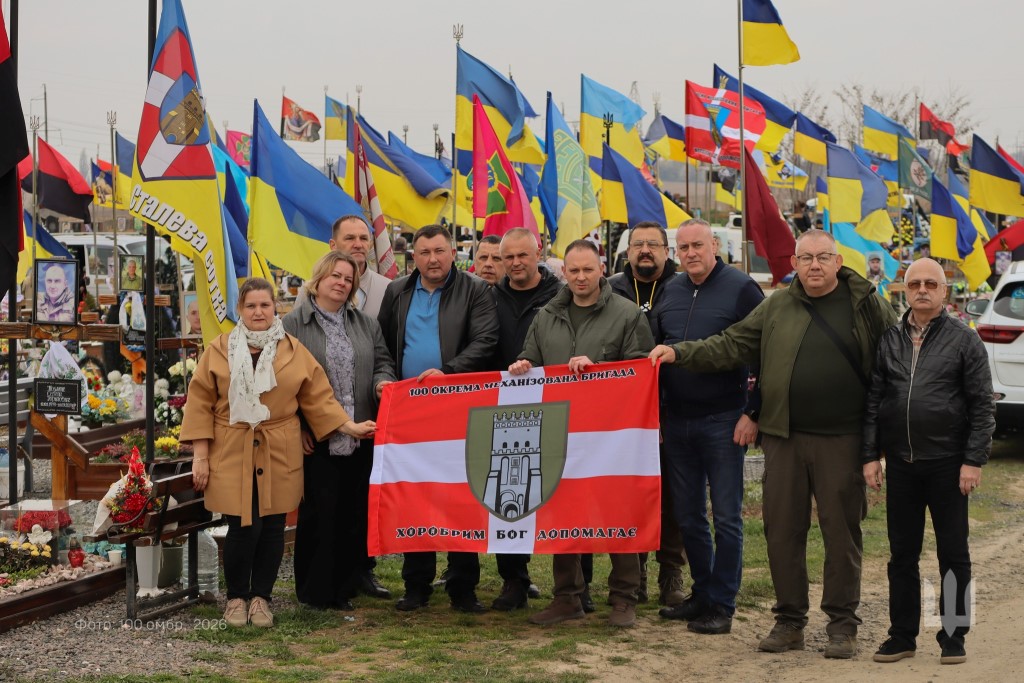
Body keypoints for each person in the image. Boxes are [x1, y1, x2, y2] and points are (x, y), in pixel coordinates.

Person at [650, 230, 896, 658]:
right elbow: (731, 344)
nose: (814, 265)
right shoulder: (778, 306)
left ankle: (842, 625)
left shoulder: (867, 305)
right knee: (782, 532)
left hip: (842, 438)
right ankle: (789, 621)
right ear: (795, 264)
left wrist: (881, 442)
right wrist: (680, 353)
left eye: (822, 257)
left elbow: (892, 367)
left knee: (841, 534)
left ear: (838, 262)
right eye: (805, 258)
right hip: (784, 438)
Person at [180, 278, 376, 628]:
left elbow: (318, 398)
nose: (258, 312)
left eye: (265, 305)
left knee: (271, 526)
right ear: (240, 310)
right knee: (242, 525)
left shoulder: (293, 350)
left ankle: (262, 599)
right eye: (251, 306)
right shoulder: (219, 349)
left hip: (278, 447)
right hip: (231, 447)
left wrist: (350, 427)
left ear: (275, 309)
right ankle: (236, 598)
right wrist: (200, 456)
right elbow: (199, 404)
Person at [511, 239, 654, 628]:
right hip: (560, 436)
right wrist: (523, 365)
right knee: (562, 515)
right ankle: (567, 597)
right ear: (563, 272)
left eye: (587, 269)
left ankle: (624, 598)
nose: (579, 277)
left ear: (602, 269)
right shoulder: (546, 316)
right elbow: (533, 360)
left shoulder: (627, 315)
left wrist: (600, 371)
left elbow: (642, 375)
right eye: (572, 270)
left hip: (612, 438)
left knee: (617, 515)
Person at [863, 258, 995, 665]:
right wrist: (870, 456)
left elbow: (982, 405)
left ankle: (954, 635)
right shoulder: (890, 339)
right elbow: (873, 402)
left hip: (948, 463)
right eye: (914, 283)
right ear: (903, 290)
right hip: (901, 464)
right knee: (902, 553)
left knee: (953, 552)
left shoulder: (964, 340)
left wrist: (973, 461)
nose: (921, 289)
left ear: (944, 291)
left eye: (930, 283)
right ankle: (901, 635)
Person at [377, 224, 499, 613]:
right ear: (413, 255)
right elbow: (383, 344)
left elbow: (486, 341)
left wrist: (449, 371)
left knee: (463, 495)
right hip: (410, 410)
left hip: (460, 406)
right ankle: (416, 584)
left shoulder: (475, 289)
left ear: (453, 252)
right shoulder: (397, 292)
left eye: (440, 251)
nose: (432, 259)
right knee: (414, 493)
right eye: (424, 252)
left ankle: (462, 586)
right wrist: (385, 380)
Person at [651, 218, 764, 634]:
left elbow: (764, 352)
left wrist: (753, 412)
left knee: (727, 518)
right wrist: (656, 414)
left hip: (724, 421)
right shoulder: (671, 290)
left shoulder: (741, 288)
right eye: (683, 248)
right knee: (689, 515)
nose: (691, 254)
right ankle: (701, 594)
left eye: (697, 245)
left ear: (714, 244)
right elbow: (654, 355)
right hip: (676, 421)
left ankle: (723, 604)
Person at [284, 252, 397, 609]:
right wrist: (299, 425)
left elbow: (382, 363)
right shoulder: (292, 324)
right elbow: (283, 383)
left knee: (352, 512)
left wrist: (381, 384)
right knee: (320, 512)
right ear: (318, 278)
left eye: (348, 279)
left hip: (361, 429)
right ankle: (316, 591)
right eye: (335, 275)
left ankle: (345, 587)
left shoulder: (366, 323)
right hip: (317, 436)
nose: (341, 283)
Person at [608, 220, 688, 608]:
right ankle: (632, 570)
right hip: (624, 413)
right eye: (638, 244)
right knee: (629, 491)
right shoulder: (611, 288)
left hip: (675, 405)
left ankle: (671, 570)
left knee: (673, 494)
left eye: (653, 245)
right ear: (627, 252)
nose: (645, 251)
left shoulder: (685, 286)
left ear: (665, 250)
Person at [487, 227, 562, 611]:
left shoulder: (561, 295)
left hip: (554, 404)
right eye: (508, 257)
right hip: (503, 409)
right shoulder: (488, 297)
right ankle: (514, 580)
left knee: (562, 492)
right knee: (508, 490)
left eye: (523, 255)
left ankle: (572, 587)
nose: (515, 263)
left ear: (539, 253)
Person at [329, 215, 391, 318]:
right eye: (350, 238)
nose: (358, 245)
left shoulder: (388, 289)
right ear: (333, 245)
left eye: (363, 238)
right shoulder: (314, 289)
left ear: (370, 244)